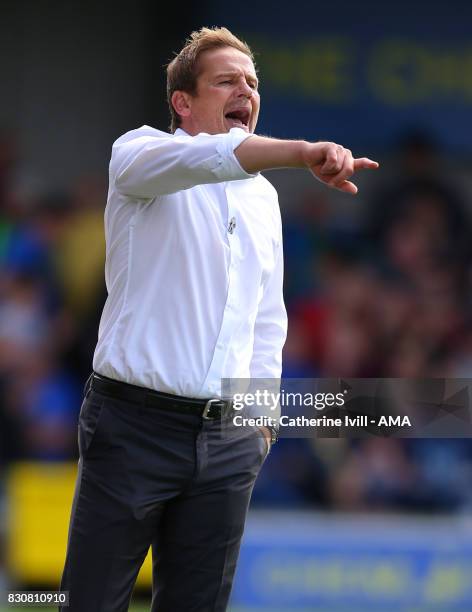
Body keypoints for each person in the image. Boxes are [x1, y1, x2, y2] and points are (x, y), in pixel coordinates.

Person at [59, 26, 378, 612]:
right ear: (183, 102)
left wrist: (260, 428)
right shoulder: (139, 154)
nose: (245, 91)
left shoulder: (263, 200)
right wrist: (304, 153)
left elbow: (266, 320)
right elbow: (210, 158)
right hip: (132, 426)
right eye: (227, 81)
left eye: (252, 83)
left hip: (229, 439)